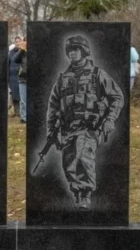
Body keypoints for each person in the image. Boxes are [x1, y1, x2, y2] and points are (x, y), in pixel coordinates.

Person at [43, 35, 123, 210]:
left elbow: (116, 97)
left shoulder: (97, 74)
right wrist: (51, 131)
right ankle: (78, 194)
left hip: (89, 128)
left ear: (84, 51)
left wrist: (109, 120)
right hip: (67, 129)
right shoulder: (63, 79)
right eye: (70, 50)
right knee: (68, 163)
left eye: (76, 49)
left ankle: (84, 195)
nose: (73, 53)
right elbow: (54, 106)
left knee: (83, 158)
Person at [8, 36, 23, 117]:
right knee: (15, 95)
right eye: (16, 41)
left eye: (19, 41)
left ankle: (23, 112)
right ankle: (17, 112)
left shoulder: (24, 51)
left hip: (22, 76)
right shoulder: (10, 53)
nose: (18, 43)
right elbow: (7, 66)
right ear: (14, 43)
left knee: (22, 95)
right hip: (13, 77)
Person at [17, 40, 27, 123]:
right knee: (23, 100)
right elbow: (15, 59)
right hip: (23, 79)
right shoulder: (22, 53)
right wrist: (21, 50)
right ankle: (24, 117)